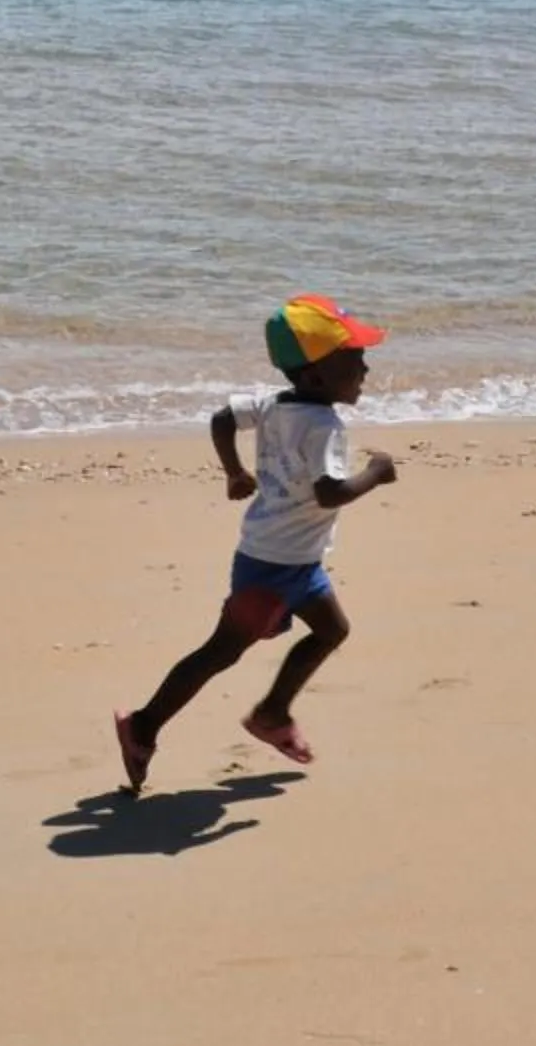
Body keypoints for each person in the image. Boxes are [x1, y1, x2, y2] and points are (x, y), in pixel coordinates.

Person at [113, 294, 399, 792]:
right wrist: (376, 473)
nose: (365, 368)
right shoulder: (325, 425)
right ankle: (143, 725)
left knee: (332, 631)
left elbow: (222, 418)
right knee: (220, 653)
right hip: (273, 568)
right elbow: (330, 492)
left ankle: (272, 712)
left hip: (293, 560)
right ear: (315, 377)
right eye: (353, 360)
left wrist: (233, 472)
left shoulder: (274, 404)